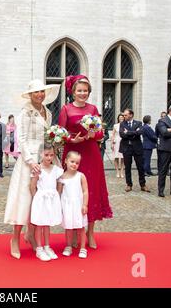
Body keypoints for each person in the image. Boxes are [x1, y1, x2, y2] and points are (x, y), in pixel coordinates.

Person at [4, 79, 60, 259]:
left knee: (41, 200)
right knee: (24, 200)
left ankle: (31, 235)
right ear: (30, 95)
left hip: (44, 159)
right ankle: (15, 239)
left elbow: (46, 136)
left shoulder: (48, 112)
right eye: (36, 92)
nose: (40, 95)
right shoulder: (25, 113)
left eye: (42, 91)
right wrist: (30, 161)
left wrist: (54, 147)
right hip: (29, 162)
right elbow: (21, 138)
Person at [58, 75, 112, 249]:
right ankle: (74, 232)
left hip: (90, 153)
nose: (83, 93)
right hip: (73, 152)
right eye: (79, 90)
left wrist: (92, 134)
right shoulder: (66, 109)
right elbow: (60, 133)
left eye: (85, 90)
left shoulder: (93, 108)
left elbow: (100, 133)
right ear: (73, 92)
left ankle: (90, 232)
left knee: (91, 190)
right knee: (72, 191)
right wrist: (71, 140)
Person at [29, 143, 63, 261]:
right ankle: (39, 248)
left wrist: (57, 194)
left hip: (51, 199)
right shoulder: (38, 169)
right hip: (41, 199)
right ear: (41, 154)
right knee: (39, 224)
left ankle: (47, 246)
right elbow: (32, 186)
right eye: (46, 155)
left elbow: (60, 182)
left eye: (51, 155)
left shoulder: (56, 170)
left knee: (47, 224)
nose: (49, 157)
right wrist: (36, 198)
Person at [58, 151, 89, 259]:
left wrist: (85, 205)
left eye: (77, 163)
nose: (74, 164)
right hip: (67, 206)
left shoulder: (81, 176)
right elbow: (59, 192)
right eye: (72, 161)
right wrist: (59, 207)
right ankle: (68, 246)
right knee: (68, 228)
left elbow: (85, 191)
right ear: (66, 161)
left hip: (78, 206)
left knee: (81, 228)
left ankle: (83, 248)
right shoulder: (61, 177)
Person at [119, 109, 150, 192]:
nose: (124, 116)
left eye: (126, 115)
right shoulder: (122, 124)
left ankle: (143, 184)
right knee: (127, 167)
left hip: (137, 148)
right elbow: (122, 135)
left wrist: (128, 132)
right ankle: (129, 184)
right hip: (126, 148)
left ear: (131, 115)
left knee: (140, 167)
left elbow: (140, 132)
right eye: (124, 115)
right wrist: (134, 132)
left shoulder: (139, 123)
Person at [111, 113, 125, 178]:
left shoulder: (126, 125)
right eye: (120, 118)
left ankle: (122, 171)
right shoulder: (115, 125)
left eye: (122, 118)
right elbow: (113, 134)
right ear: (118, 119)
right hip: (116, 142)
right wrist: (111, 143)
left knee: (122, 157)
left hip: (123, 141)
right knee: (116, 157)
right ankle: (117, 171)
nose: (121, 119)